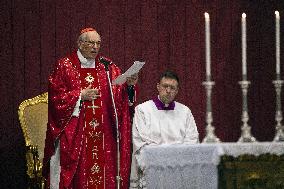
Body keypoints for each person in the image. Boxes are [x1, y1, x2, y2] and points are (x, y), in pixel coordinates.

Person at [43, 27, 138, 189]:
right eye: (91, 43)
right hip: (76, 136)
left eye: (98, 43)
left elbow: (119, 99)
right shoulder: (65, 66)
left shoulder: (107, 67)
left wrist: (129, 86)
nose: (95, 47)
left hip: (104, 136)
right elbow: (55, 98)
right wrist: (79, 95)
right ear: (80, 43)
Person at [129, 71, 199, 188]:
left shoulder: (185, 111)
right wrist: (164, 161)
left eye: (172, 88)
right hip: (153, 170)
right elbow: (141, 144)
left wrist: (174, 162)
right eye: (165, 86)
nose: (168, 90)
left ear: (177, 91)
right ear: (158, 87)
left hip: (178, 171)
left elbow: (192, 141)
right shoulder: (142, 110)